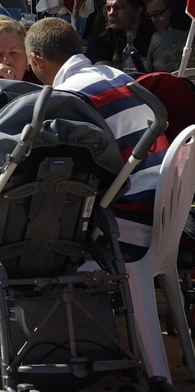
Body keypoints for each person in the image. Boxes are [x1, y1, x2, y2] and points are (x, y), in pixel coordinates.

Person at [24, 17, 168, 264]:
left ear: (37, 59)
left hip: (126, 230)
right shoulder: (118, 76)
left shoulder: (70, 98)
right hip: (164, 214)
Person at [88, 0, 156, 71]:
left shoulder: (155, 38)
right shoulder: (101, 41)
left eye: (118, 7)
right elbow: (104, 75)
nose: (111, 13)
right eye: (108, 8)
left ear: (137, 11)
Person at [145, 0, 190, 73]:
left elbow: (148, 75)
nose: (154, 20)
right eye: (150, 15)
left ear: (173, 9)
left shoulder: (158, 38)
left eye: (158, 13)